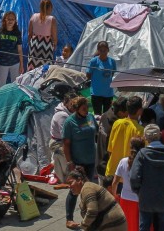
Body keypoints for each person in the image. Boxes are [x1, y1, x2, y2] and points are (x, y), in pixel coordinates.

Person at [130, 124, 164, 231]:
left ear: (145, 137)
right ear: (160, 135)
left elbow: (134, 178)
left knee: (144, 227)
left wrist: (139, 191)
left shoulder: (141, 154)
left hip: (146, 199)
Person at [63, 96, 98, 229]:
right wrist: (69, 162)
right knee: (74, 190)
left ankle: (88, 218)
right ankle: (69, 219)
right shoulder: (70, 122)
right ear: (77, 109)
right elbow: (66, 144)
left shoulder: (90, 117)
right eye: (83, 108)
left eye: (87, 108)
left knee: (88, 190)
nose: (86, 110)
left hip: (90, 161)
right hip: (77, 163)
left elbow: (96, 132)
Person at [111, 136, 145, 231]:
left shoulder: (123, 161)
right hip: (141, 200)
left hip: (125, 199)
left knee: (127, 226)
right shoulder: (145, 162)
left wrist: (115, 195)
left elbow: (115, 182)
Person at [106, 96, 144, 176]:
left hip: (112, 171)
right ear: (140, 111)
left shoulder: (117, 123)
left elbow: (110, 149)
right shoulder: (140, 130)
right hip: (126, 176)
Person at [50, 91, 77, 184]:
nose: (74, 106)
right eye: (72, 104)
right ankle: (63, 176)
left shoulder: (70, 112)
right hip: (58, 142)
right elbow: (65, 135)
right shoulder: (62, 115)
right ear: (66, 103)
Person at [0, 11, 24, 87]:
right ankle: (0, 99)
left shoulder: (17, 33)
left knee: (15, 85)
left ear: (15, 21)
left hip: (15, 63)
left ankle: (13, 99)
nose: (10, 21)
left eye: (12, 19)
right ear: (4, 20)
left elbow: (19, 50)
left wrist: (21, 65)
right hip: (2, 63)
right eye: (8, 19)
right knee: (1, 85)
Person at [98, 97, 128, 177]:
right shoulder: (116, 124)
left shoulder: (105, 115)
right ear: (121, 112)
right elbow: (112, 149)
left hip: (99, 161)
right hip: (108, 166)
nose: (128, 115)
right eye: (127, 112)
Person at [86, 41, 116, 115]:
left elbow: (112, 73)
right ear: (98, 50)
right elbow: (88, 75)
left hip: (108, 93)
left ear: (108, 50)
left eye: (104, 50)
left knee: (106, 115)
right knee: (97, 115)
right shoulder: (94, 61)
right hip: (96, 93)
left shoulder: (112, 62)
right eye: (101, 50)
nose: (103, 52)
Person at [27, 0, 57, 70]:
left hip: (34, 44)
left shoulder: (33, 16)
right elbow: (54, 36)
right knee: (45, 70)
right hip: (46, 45)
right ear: (50, 8)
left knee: (32, 68)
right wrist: (54, 45)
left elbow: (29, 33)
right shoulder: (52, 19)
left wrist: (30, 44)